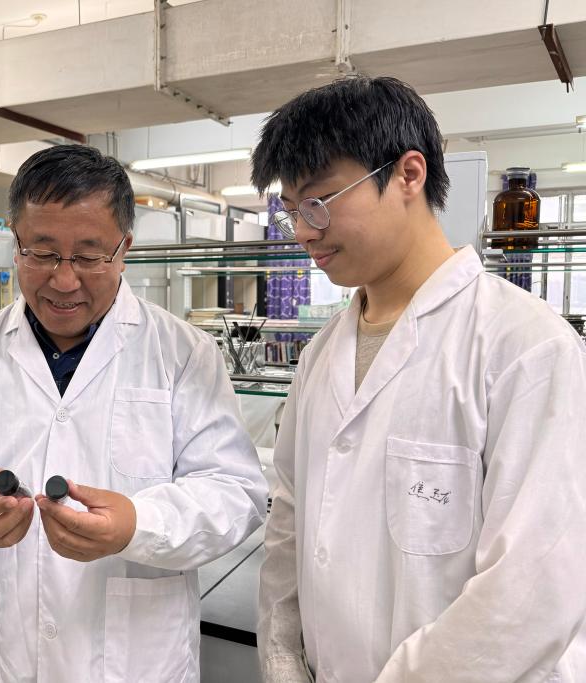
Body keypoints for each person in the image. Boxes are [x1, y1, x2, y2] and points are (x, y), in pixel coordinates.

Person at [253, 76, 586, 682]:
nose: (302, 231)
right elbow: (289, 528)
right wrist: (282, 662)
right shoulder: (322, 353)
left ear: (408, 174)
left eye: (319, 201)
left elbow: (533, 588)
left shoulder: (525, 346)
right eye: (291, 209)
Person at [0, 144, 267, 682]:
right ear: (16, 244)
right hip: (3, 654)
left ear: (123, 249)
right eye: (42, 253)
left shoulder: (182, 353)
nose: (64, 280)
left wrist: (138, 524)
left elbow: (234, 492)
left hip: (134, 660)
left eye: (89, 257)